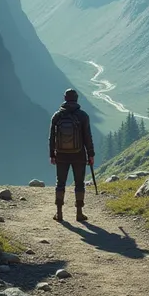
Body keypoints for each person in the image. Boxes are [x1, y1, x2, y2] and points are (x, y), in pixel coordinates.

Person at [49, 88, 95, 222]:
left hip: (61, 155)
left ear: (65, 98)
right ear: (77, 99)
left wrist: (52, 154)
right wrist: (90, 154)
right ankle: (79, 213)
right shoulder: (83, 116)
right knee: (79, 183)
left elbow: (51, 137)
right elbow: (88, 137)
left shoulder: (57, 116)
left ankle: (59, 213)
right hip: (79, 155)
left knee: (60, 183)